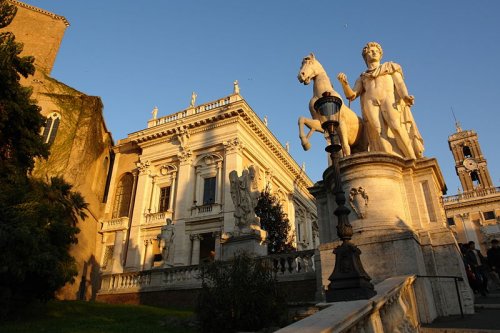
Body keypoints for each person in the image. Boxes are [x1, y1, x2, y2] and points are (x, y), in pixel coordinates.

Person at [337, 42, 423, 159]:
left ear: (380, 54)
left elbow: (400, 84)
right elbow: (352, 95)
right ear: (365, 56)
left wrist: (405, 96)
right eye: (370, 52)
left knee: (396, 127)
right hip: (370, 102)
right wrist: (344, 83)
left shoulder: (390, 67)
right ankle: (390, 161)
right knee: (378, 133)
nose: (373, 53)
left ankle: (412, 158)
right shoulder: (363, 77)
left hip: (388, 99)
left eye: (376, 51)